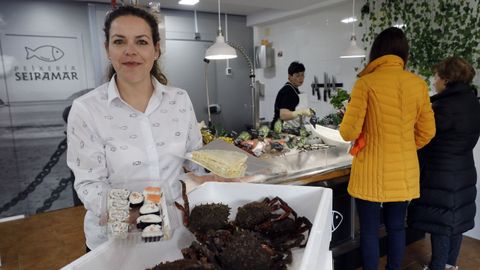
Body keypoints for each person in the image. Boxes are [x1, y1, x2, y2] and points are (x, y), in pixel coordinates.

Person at [66, 5, 203, 252]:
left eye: (141, 42)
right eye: (119, 41)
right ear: (107, 49)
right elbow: (89, 183)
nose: (130, 51)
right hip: (115, 240)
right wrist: (140, 213)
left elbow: (195, 163)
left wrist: (220, 173)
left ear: (156, 49)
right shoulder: (86, 109)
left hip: (177, 232)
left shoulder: (179, 100)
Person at [339, 27, 436, 270]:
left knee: (370, 230)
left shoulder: (365, 84)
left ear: (377, 51)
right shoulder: (418, 84)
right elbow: (428, 131)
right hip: (403, 171)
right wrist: (403, 147)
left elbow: (347, 133)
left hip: (370, 171)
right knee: (396, 227)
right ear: (404, 52)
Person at [408, 57, 480, 270]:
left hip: (441, 173)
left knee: (441, 224)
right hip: (464, 170)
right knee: (455, 223)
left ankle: (437, 266)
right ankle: (449, 264)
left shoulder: (442, 107)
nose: (434, 80)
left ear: (447, 79)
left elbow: (423, 137)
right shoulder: (473, 103)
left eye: (437, 76)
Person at [271, 61, 312, 129]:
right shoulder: (287, 91)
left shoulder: (294, 90)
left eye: (302, 75)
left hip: (292, 129)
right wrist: (301, 112)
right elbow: (283, 115)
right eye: (297, 75)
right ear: (289, 76)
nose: (301, 78)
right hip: (281, 130)